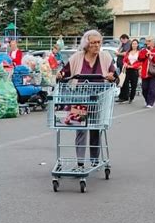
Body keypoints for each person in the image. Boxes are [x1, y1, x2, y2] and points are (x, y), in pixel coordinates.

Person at [57, 30, 116, 170]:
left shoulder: (105, 57)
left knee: (95, 128)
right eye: (93, 43)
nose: (96, 45)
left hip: (99, 97)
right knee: (81, 128)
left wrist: (111, 76)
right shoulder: (77, 57)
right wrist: (60, 75)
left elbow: (114, 74)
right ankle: (80, 162)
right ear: (86, 44)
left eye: (98, 42)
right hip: (80, 96)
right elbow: (65, 72)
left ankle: (95, 160)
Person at [138, 37, 155, 108]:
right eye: (146, 41)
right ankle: (147, 101)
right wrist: (145, 55)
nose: (147, 43)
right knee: (144, 89)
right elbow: (139, 58)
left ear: (153, 42)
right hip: (145, 73)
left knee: (152, 89)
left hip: (154, 72)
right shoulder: (144, 50)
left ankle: (150, 103)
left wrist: (153, 57)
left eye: (149, 41)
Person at [118, 39, 141, 104]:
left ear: (137, 44)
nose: (134, 45)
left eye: (135, 44)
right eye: (133, 44)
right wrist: (125, 63)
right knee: (125, 83)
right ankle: (126, 97)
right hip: (127, 69)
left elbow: (140, 62)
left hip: (134, 70)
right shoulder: (128, 52)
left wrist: (133, 66)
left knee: (134, 85)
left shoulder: (139, 52)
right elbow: (124, 59)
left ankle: (131, 97)